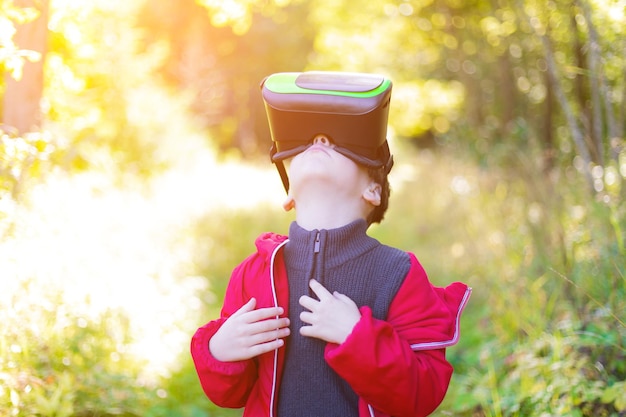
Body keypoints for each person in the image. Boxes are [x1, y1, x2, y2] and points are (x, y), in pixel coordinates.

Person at [190, 71, 471, 417]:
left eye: (337, 142)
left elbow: (421, 394)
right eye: (306, 142)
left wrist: (357, 336)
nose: (319, 139)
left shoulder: (398, 273)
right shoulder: (253, 274)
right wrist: (219, 350)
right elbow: (230, 394)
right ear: (289, 192)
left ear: (374, 190)